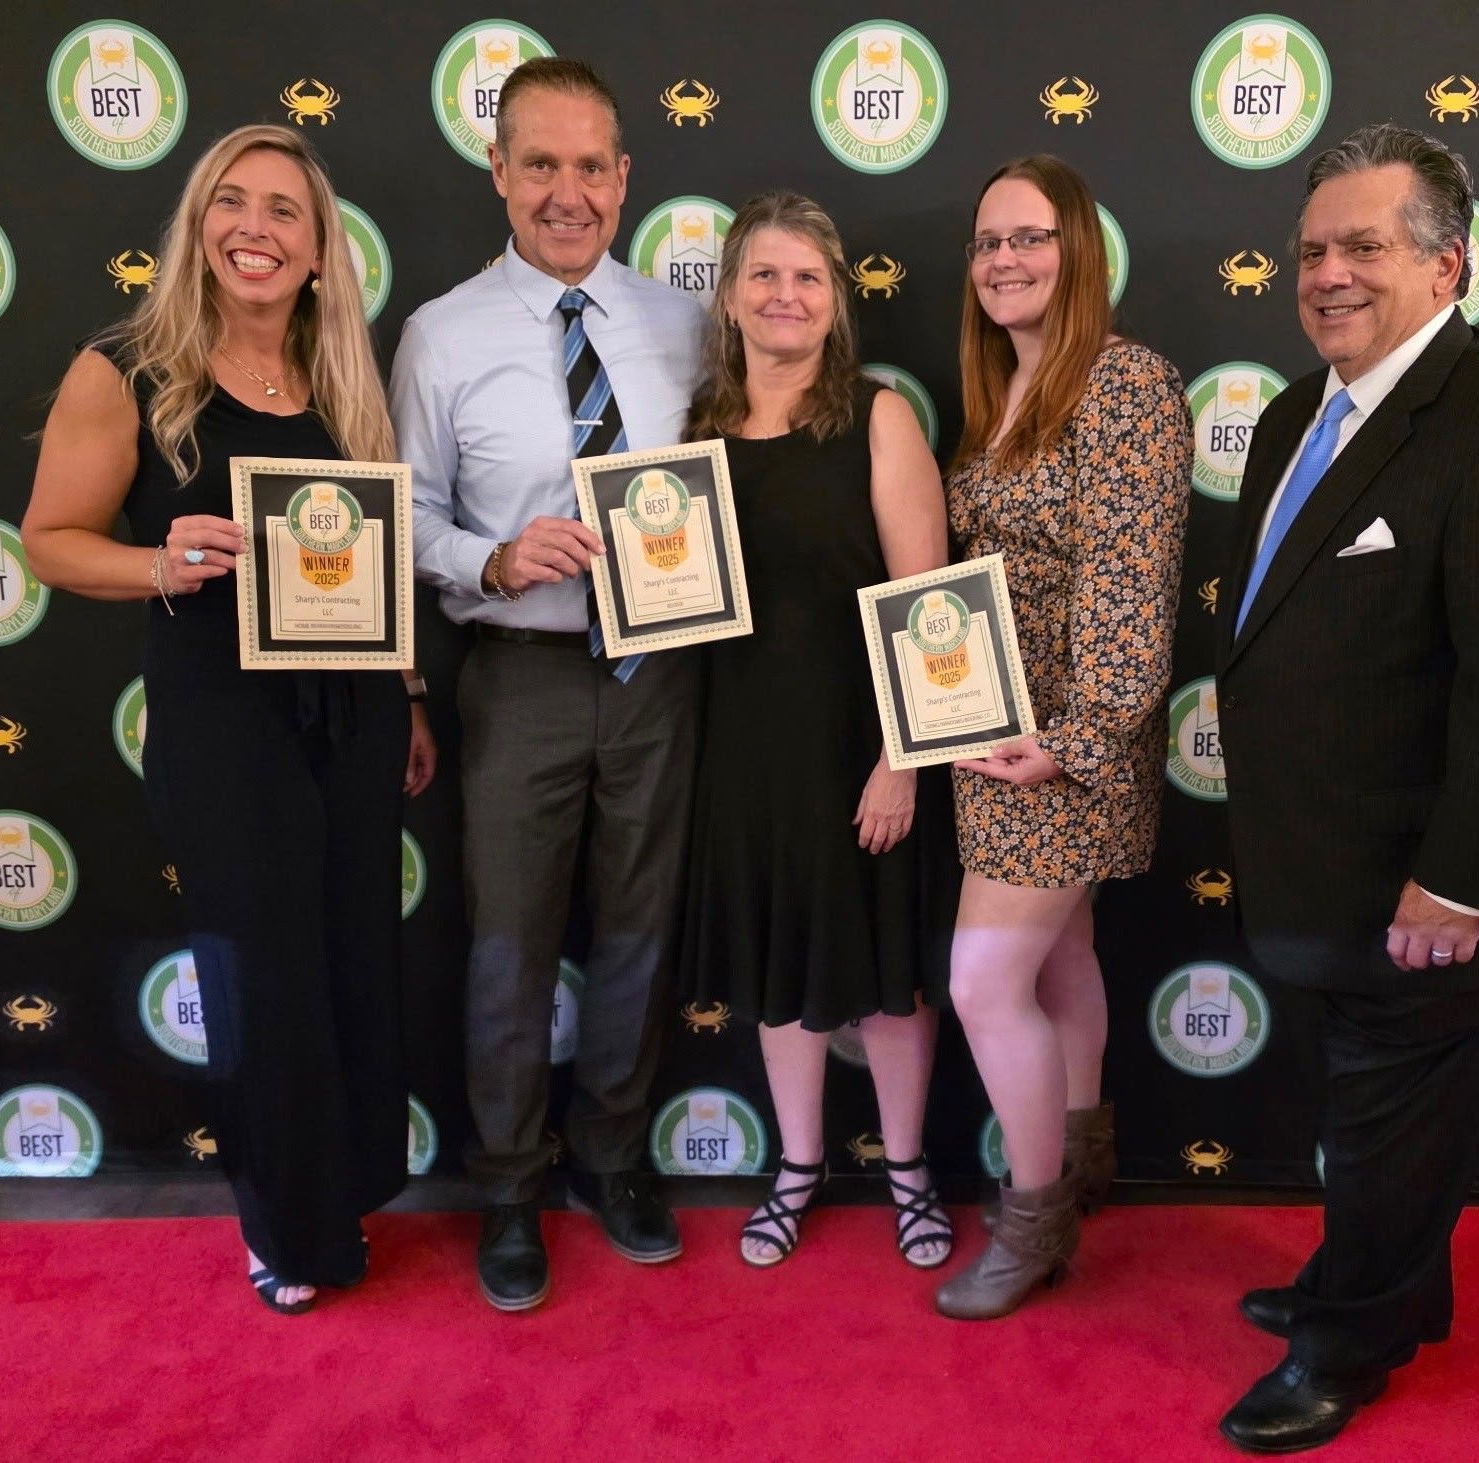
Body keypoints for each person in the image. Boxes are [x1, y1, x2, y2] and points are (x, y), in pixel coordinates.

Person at [1212, 124, 1479, 1452]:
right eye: (1312, 250)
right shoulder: (1295, 411)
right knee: (1379, 1108)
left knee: (1396, 1112)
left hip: (1436, 874)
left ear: (1448, 263)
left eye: (1364, 247)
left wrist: (1457, 878)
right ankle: (1368, 1286)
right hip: (1330, 858)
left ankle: (1351, 1341)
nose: (1328, 273)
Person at [22, 123, 437, 1316]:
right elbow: (50, 543)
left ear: (320, 253)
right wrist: (160, 560)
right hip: (222, 720)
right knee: (264, 972)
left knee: (350, 955)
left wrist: (405, 693)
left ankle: (343, 1183)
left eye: (285, 213)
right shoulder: (129, 369)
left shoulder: (340, 380)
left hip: (353, 710)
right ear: (198, 226)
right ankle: (285, 1225)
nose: (255, 228)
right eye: (232, 204)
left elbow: (377, 562)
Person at [390, 57, 704, 1312]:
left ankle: (614, 1159)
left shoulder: (685, 324)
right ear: (499, 172)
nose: (566, 192)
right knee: (509, 949)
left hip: (661, 677)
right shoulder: (441, 333)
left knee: (638, 936)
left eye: (591, 166)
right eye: (541, 164)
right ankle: (511, 1185)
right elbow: (401, 516)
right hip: (515, 674)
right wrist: (493, 555)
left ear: (624, 179)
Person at [678, 192, 957, 1270]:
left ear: (835, 301)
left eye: (807, 277)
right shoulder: (697, 431)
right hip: (742, 750)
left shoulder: (878, 417)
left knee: (886, 976)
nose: (785, 295)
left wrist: (903, 757)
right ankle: (795, 1167)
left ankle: (907, 1170)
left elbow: (925, 601)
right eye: (764, 275)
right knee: (776, 972)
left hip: (859, 740)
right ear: (732, 296)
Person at [935, 155, 1192, 1321]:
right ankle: (1083, 1155)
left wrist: (1081, 738)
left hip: (1071, 743)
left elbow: (1135, 581)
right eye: (988, 242)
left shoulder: (1125, 382)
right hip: (996, 738)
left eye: (1028, 238)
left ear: (1077, 250)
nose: (1004, 260)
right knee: (1062, 954)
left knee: (986, 978)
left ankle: (1032, 1216)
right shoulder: (1003, 387)